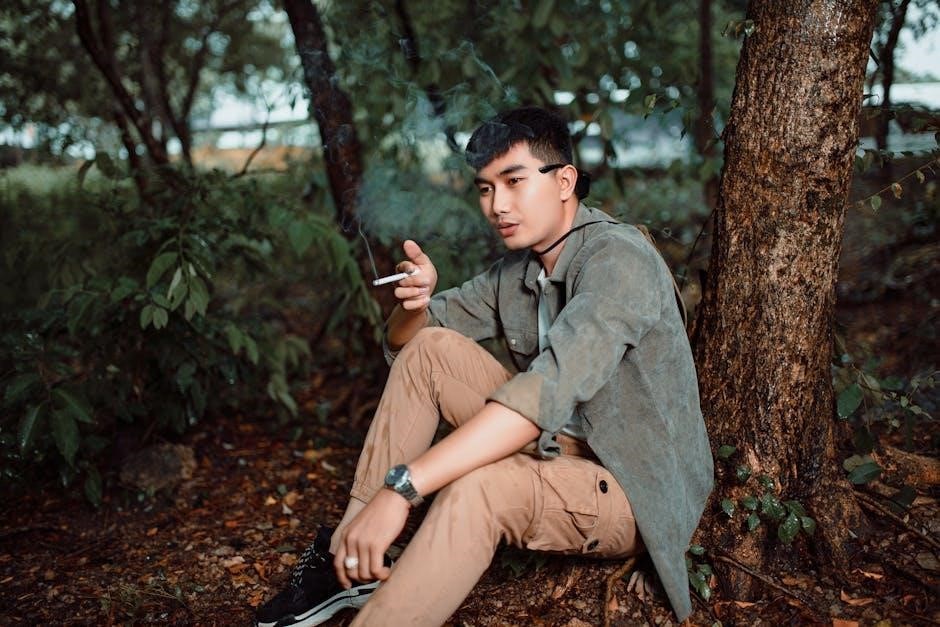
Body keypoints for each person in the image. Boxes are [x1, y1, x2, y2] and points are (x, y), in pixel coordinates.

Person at [255, 106, 713, 627]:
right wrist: (415, 304)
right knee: (431, 350)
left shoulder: (618, 260)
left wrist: (402, 488)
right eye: (485, 188)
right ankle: (349, 557)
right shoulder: (515, 272)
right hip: (560, 446)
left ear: (564, 181)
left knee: (478, 485)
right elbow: (408, 346)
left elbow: (544, 392)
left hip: (630, 484)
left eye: (514, 181)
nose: (497, 205)